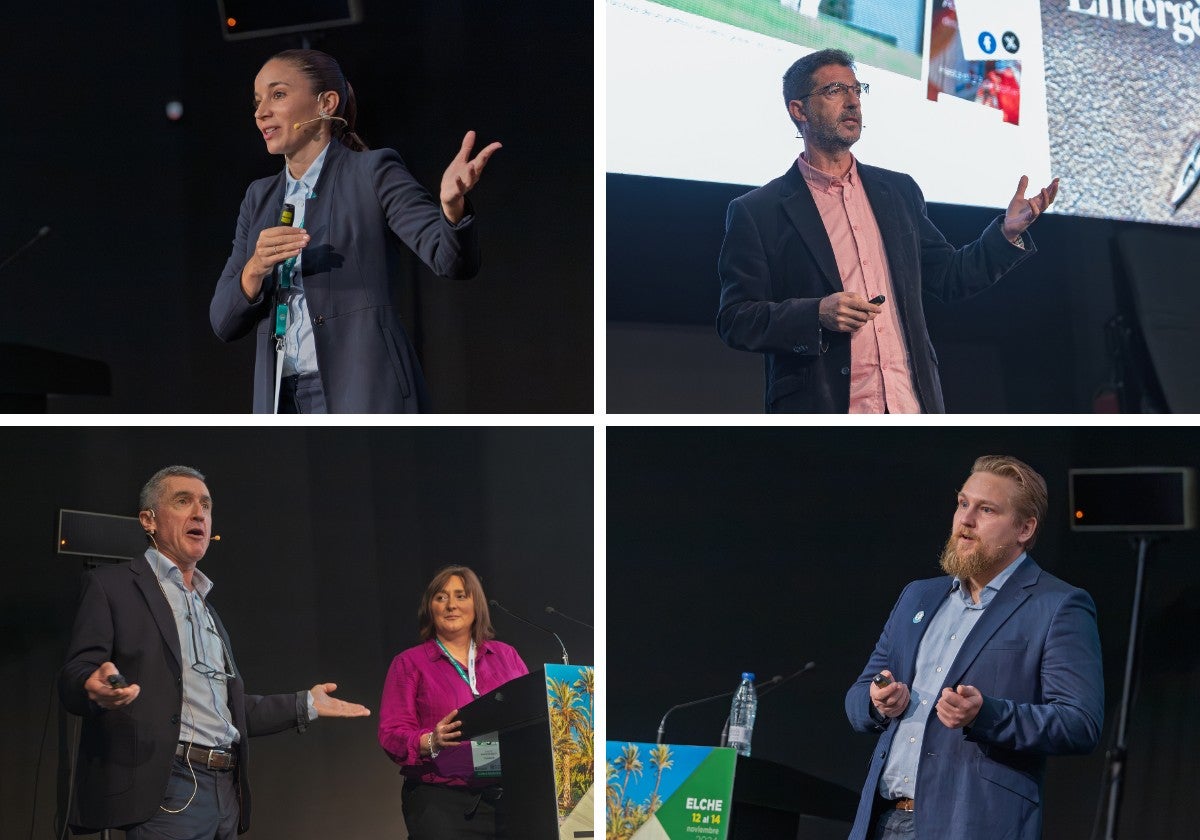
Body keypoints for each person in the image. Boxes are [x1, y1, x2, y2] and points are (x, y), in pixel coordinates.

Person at [716, 49, 1059, 412]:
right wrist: (815, 314)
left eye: (856, 90)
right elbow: (736, 319)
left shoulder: (897, 192)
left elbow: (948, 277)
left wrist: (1005, 234)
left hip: (911, 404)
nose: (852, 102)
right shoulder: (758, 211)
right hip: (825, 408)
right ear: (798, 110)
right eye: (835, 91)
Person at [58, 465, 371, 838]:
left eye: (206, 505)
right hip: (167, 788)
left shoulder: (208, 611)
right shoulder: (113, 587)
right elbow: (77, 673)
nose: (199, 513)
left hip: (226, 790)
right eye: (183, 501)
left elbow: (233, 712)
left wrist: (306, 703)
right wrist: (92, 685)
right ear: (148, 520)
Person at [210, 49, 501, 413]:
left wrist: (451, 206)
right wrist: (255, 267)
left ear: (325, 103)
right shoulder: (258, 197)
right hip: (282, 401)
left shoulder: (373, 171)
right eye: (258, 101)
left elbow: (450, 260)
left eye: (278, 94)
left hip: (365, 390)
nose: (261, 112)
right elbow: (223, 321)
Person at [844, 456, 1104, 840]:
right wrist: (876, 700)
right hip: (882, 821)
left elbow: (1079, 724)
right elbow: (857, 696)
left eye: (986, 510)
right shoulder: (918, 596)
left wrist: (987, 714)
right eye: (963, 503)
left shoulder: (1058, 606)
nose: (965, 520)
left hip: (971, 824)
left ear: (1024, 528)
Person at [378, 566, 528, 838]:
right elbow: (391, 734)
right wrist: (430, 741)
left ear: (477, 605)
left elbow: (531, 713)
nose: (451, 605)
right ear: (430, 607)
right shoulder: (409, 663)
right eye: (441, 597)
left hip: (510, 800)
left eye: (461, 596)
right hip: (440, 801)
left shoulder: (507, 656)